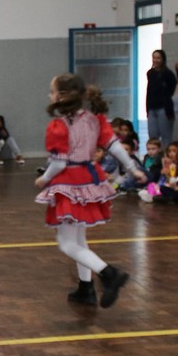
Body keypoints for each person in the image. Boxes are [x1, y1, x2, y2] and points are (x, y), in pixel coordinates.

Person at [35, 74, 146, 307]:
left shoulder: (59, 126)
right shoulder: (94, 119)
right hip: (88, 180)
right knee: (79, 239)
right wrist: (132, 168)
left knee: (66, 243)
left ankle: (108, 273)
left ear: (62, 96)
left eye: (52, 91)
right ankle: (86, 288)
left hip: (69, 182)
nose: (49, 95)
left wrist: (44, 179)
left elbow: (59, 163)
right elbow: (114, 145)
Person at [144, 49, 177, 142]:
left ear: (163, 59)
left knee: (166, 135)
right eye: (154, 58)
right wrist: (147, 108)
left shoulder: (168, 74)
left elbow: (174, 90)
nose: (155, 60)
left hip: (164, 108)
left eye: (158, 58)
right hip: (152, 108)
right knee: (152, 135)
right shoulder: (150, 73)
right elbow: (149, 91)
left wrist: (170, 107)